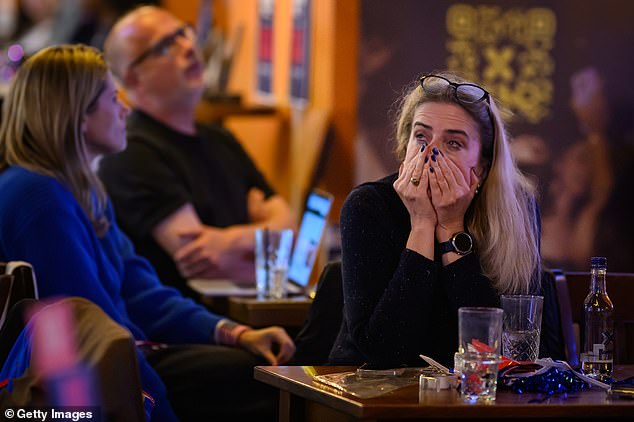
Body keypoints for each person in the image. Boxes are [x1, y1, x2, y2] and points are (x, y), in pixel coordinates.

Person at [0, 44, 295, 421]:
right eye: (112, 97)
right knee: (259, 381)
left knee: (256, 363)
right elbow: (94, 335)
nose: (125, 108)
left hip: (127, 353)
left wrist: (232, 332)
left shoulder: (82, 189)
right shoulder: (37, 196)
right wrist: (157, 407)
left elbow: (141, 290)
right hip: (72, 386)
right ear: (78, 116)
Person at [328, 72, 562, 368]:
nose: (431, 153)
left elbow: (501, 349)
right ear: (405, 146)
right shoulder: (368, 206)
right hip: (369, 392)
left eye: (453, 143)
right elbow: (383, 352)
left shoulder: (518, 210)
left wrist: (451, 227)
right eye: (421, 137)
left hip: (479, 396)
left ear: (482, 167)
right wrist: (423, 224)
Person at [97, 5, 295, 299]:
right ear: (133, 78)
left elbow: (289, 227)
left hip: (249, 317)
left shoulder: (221, 138)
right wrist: (264, 237)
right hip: (186, 328)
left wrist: (228, 241)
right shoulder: (131, 153)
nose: (189, 47)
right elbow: (208, 267)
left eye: (183, 33)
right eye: (166, 46)